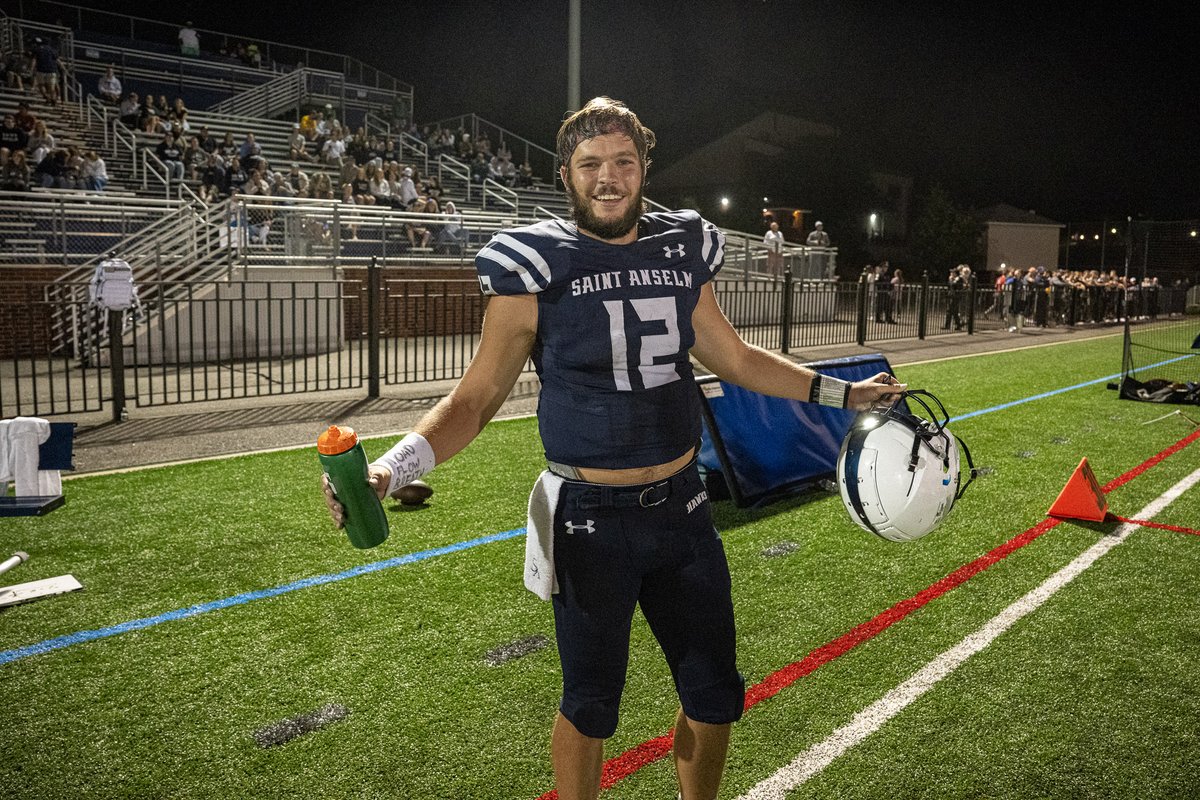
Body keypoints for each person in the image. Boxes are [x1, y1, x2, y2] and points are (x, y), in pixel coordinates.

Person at [319, 96, 905, 799]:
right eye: (590, 164)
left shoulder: (682, 244)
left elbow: (735, 357)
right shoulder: (536, 263)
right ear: (567, 175)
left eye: (623, 162)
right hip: (591, 518)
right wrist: (390, 466)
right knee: (592, 702)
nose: (608, 177)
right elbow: (474, 400)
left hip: (686, 510)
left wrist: (841, 394)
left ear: (644, 167)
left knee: (716, 691)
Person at [29, 37, 61, 106]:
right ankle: (53, 98)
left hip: (41, 70)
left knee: (41, 85)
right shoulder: (53, 50)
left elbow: (34, 60)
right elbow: (58, 61)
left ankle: (47, 97)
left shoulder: (37, 49)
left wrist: (31, 68)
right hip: (51, 70)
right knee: (52, 87)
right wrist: (63, 68)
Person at [943, 264, 967, 330]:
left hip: (955, 297)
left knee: (949, 311)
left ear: (955, 273)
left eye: (952, 272)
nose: (951, 273)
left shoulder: (958, 279)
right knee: (954, 312)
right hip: (953, 296)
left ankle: (947, 325)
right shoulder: (955, 279)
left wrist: (951, 280)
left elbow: (953, 285)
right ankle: (958, 325)